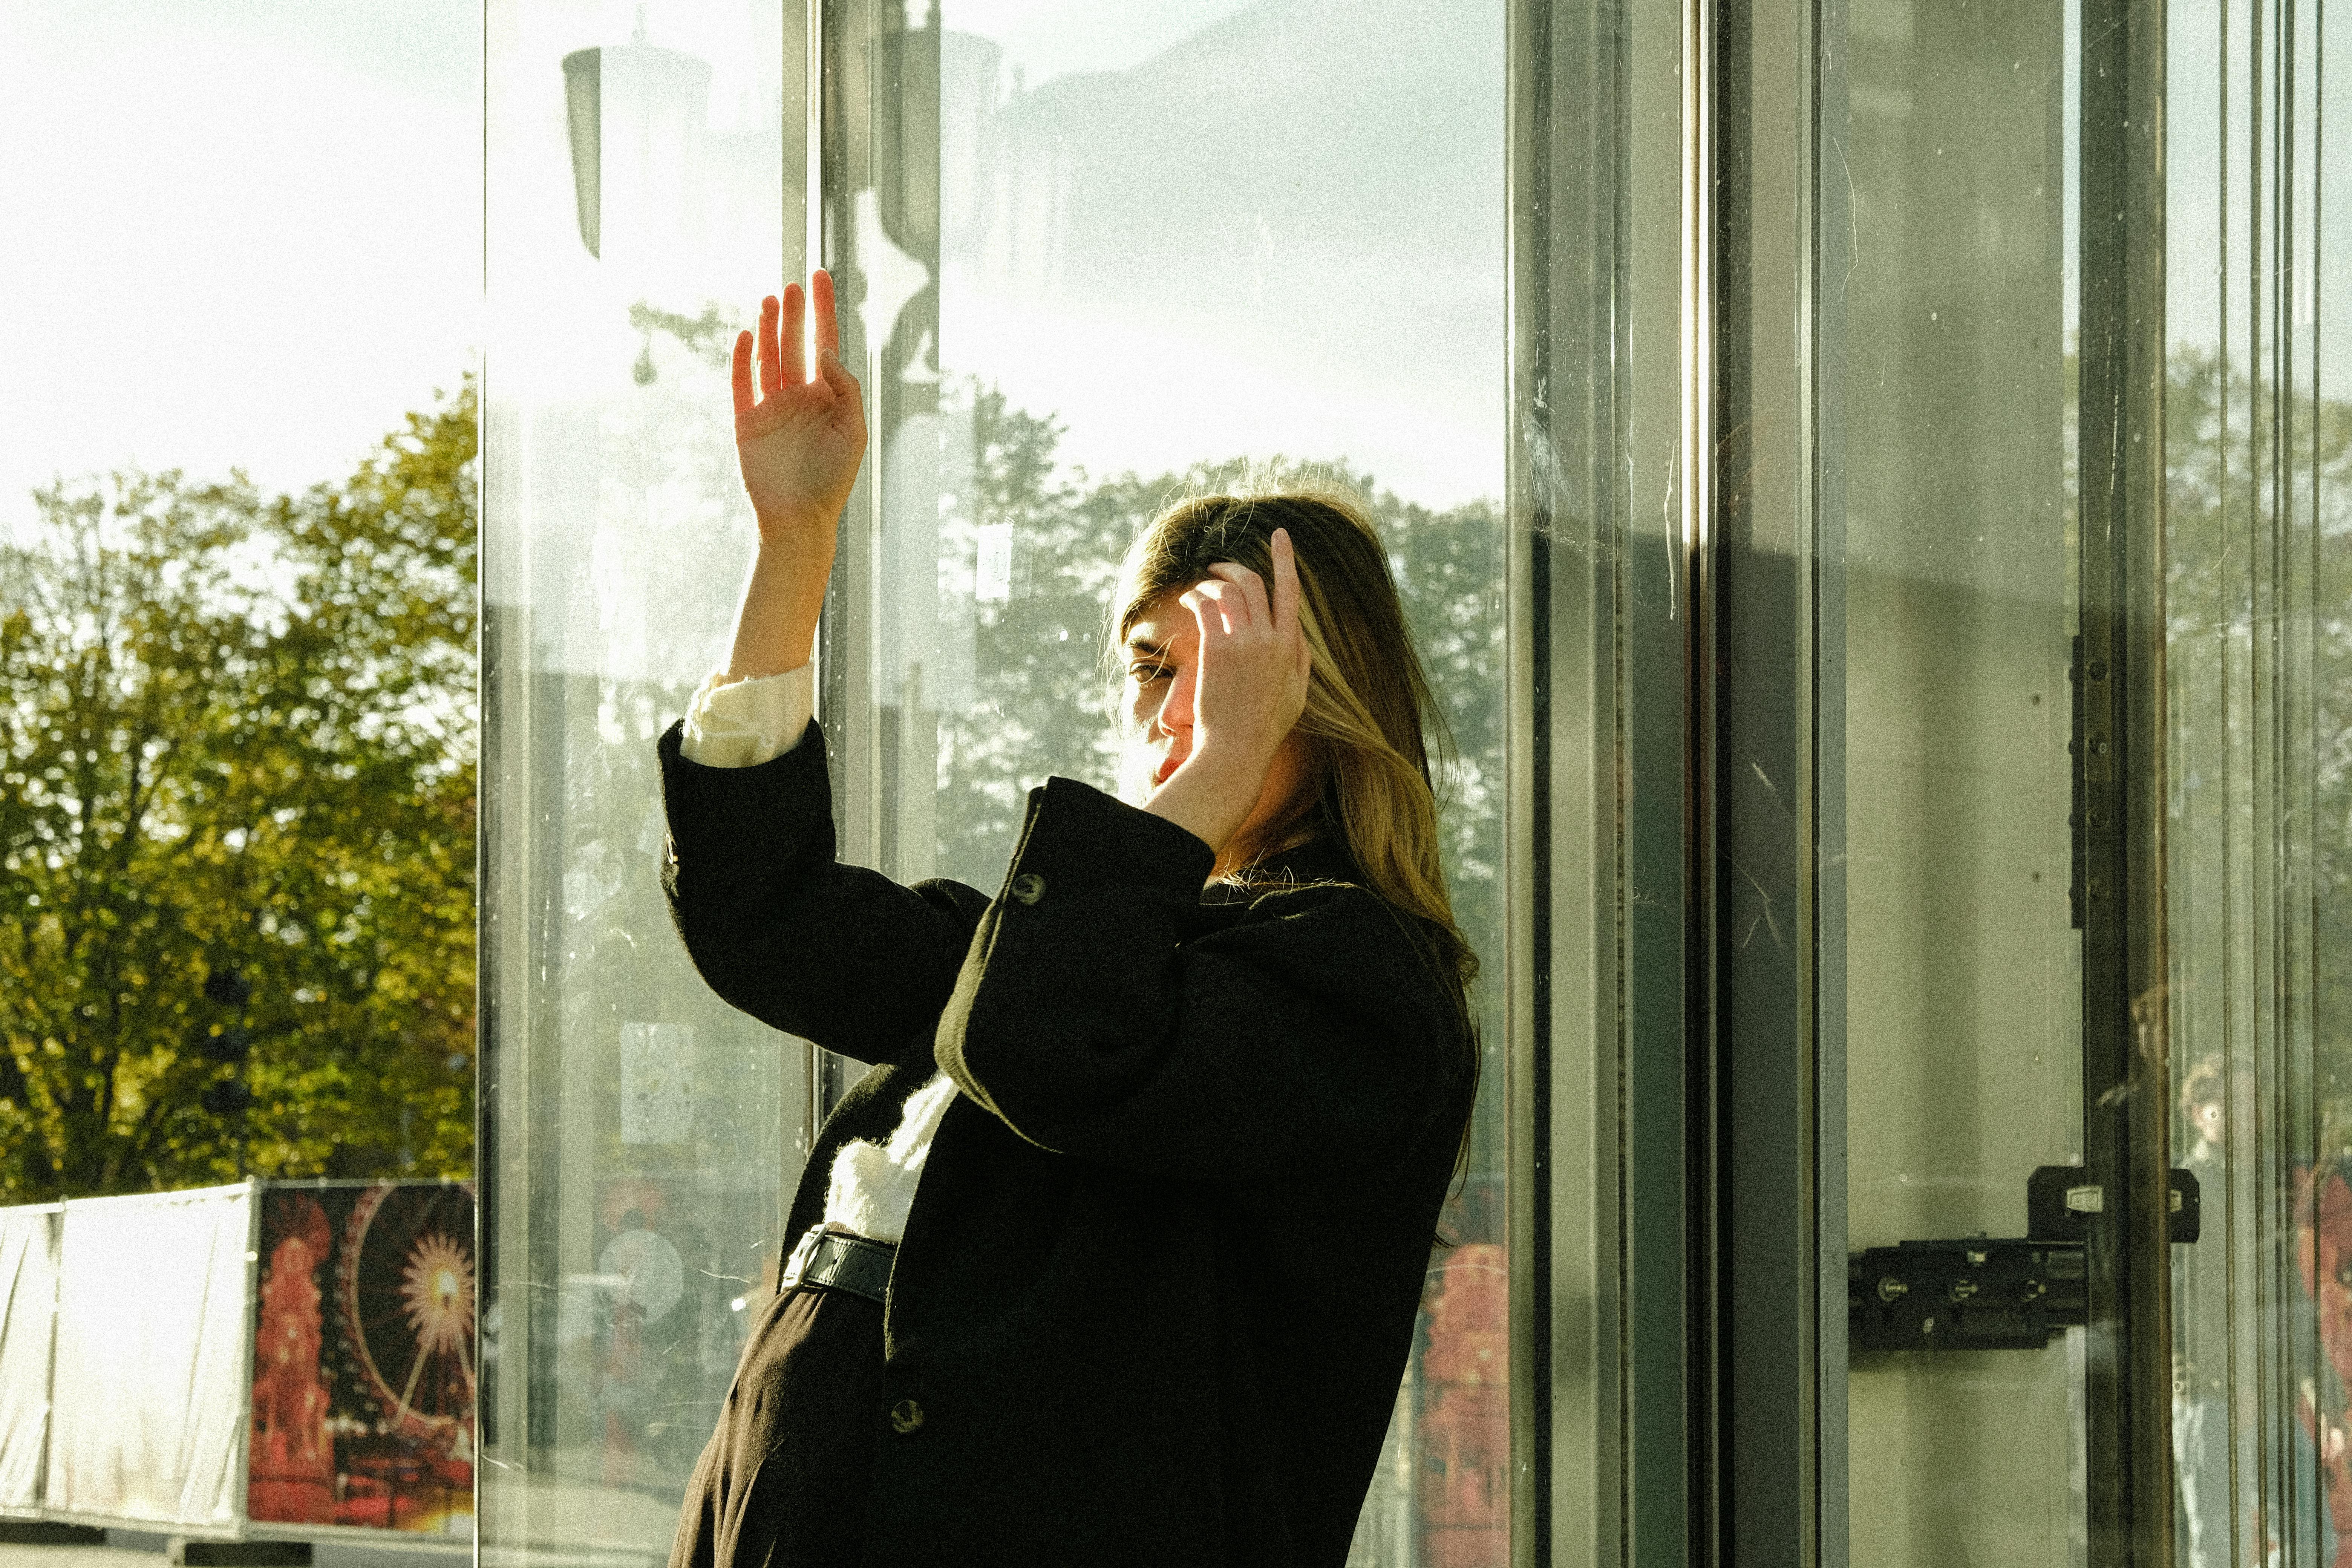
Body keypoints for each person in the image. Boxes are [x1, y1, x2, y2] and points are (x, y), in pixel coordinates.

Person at [654, 271, 1478, 1567]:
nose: (1172, 714)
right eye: (1152, 667)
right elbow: (772, 922)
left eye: (1223, 674)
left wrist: (1202, 781)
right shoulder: (1086, 947)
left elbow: (1058, 1045)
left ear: (1325, 693)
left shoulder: (1357, 997)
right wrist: (794, 546)